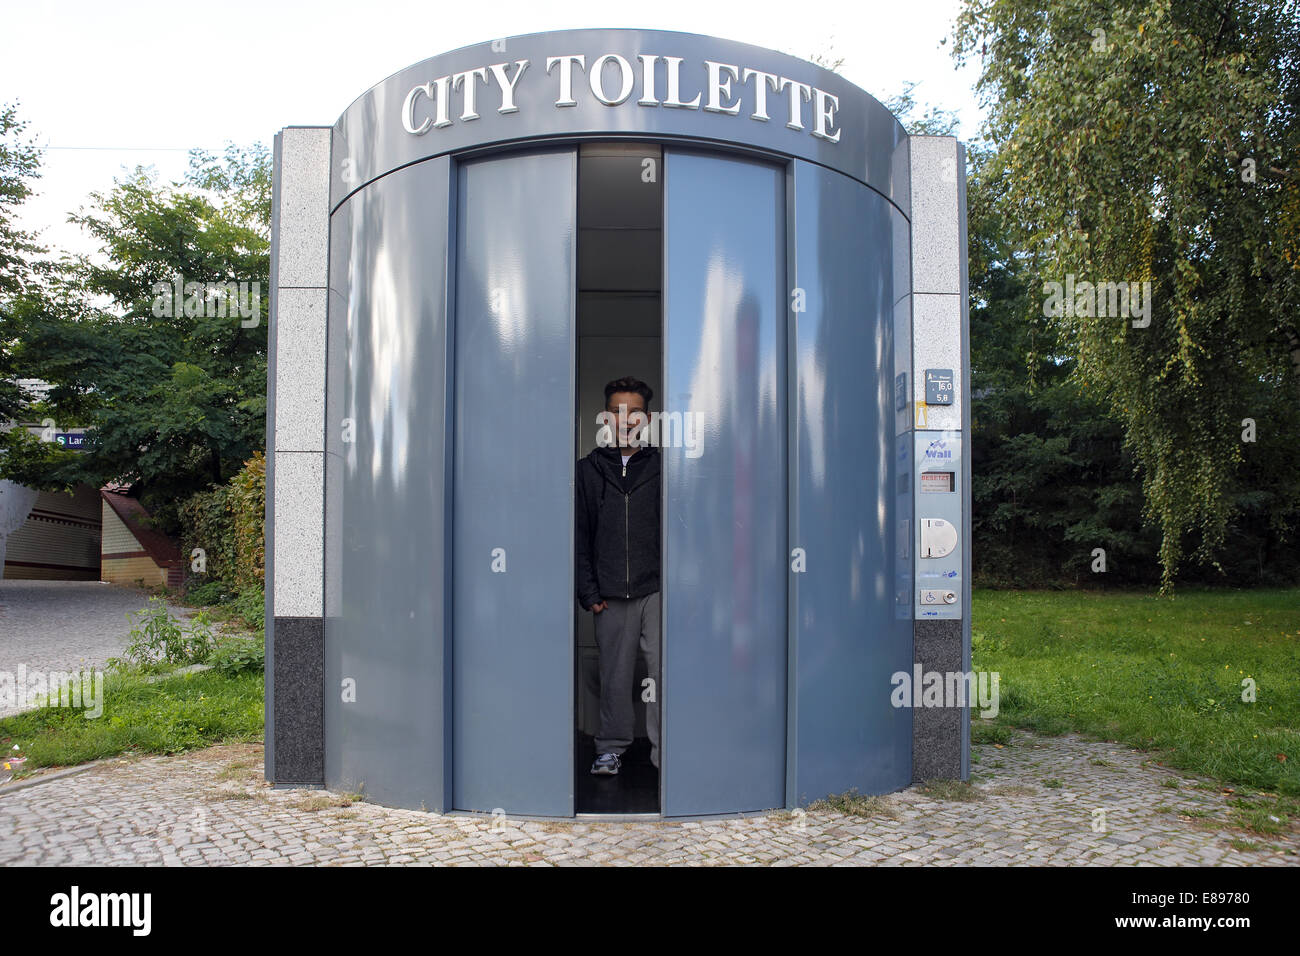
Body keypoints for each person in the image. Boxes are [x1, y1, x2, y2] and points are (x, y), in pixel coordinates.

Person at [575, 376, 661, 776]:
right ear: (605, 416)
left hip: (658, 590)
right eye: (616, 411)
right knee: (614, 676)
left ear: (648, 418)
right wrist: (588, 591)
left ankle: (665, 753)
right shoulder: (587, 472)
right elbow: (579, 534)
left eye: (635, 412)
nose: (625, 420)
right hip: (608, 593)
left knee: (663, 674)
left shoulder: (666, 467)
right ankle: (610, 749)